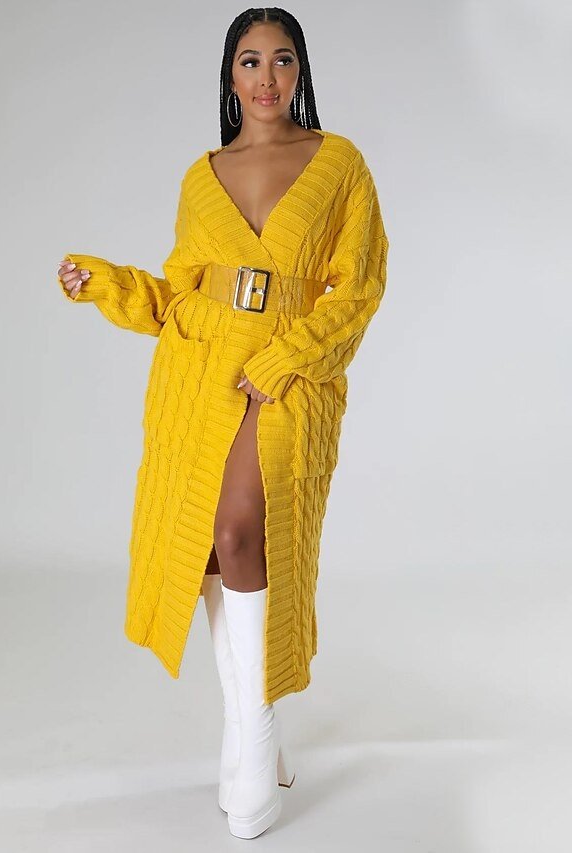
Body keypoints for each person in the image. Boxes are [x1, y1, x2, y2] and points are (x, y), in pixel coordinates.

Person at [57, 7, 389, 839]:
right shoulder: (202, 175)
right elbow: (178, 294)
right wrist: (107, 283)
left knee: (244, 531)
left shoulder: (339, 163)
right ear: (230, 75)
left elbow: (358, 289)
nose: (266, 77)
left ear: (300, 70)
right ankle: (251, 736)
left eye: (281, 59)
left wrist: (286, 359)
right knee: (208, 547)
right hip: (200, 374)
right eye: (250, 61)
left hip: (284, 378)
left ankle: (256, 731)